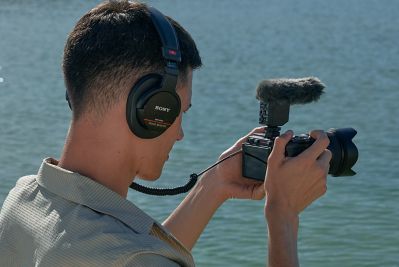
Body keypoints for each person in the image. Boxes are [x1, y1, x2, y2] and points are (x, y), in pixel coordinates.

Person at [0, 1, 331, 266]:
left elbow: (129, 251)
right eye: (178, 112)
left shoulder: (24, 200)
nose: (179, 135)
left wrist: (212, 186)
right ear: (150, 108)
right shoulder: (131, 258)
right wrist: (282, 215)